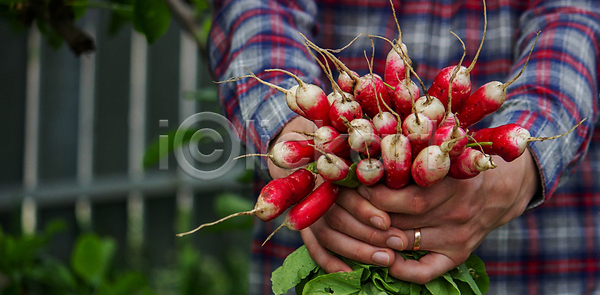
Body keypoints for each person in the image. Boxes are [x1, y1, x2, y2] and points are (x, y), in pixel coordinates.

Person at [207, 0, 600, 294]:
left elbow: (577, 21)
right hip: (331, 245)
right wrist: (289, 127)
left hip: (541, 259)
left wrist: (521, 168)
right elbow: (256, 11)